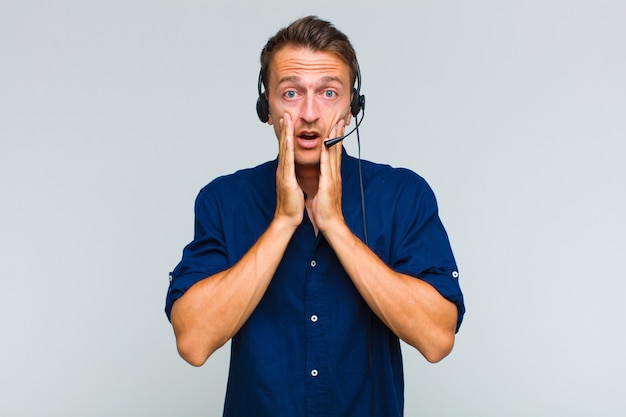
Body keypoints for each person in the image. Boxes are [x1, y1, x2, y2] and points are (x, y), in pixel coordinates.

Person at [165, 15, 465, 417]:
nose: (309, 113)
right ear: (266, 108)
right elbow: (194, 343)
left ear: (352, 106)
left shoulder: (403, 196)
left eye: (328, 93)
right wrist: (283, 222)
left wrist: (336, 226)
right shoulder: (224, 200)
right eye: (291, 93)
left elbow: (436, 339)